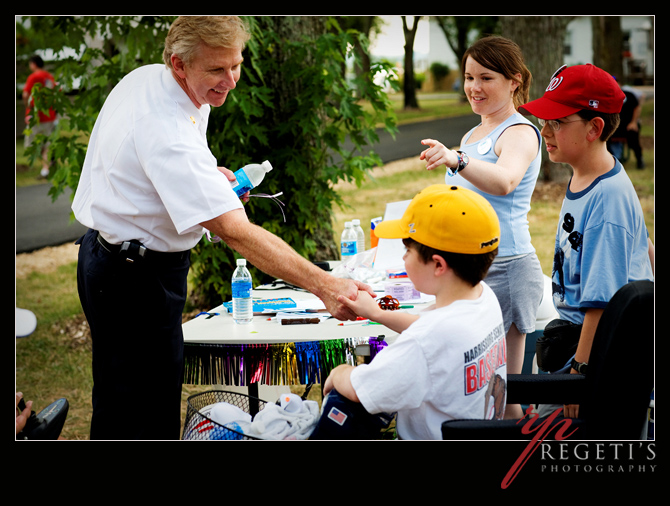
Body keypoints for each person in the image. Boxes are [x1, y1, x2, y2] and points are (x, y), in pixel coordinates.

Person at [72, 16, 372, 440]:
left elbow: (156, 170)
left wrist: (210, 182)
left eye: (237, 64)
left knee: (123, 401)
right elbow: (237, 232)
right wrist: (326, 286)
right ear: (179, 64)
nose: (230, 81)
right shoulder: (167, 128)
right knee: (142, 416)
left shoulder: (155, 80)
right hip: (133, 278)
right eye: (217, 69)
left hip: (114, 257)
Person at [519, 63, 654, 418]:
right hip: (577, 343)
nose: (545, 130)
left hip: (594, 352)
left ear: (594, 127)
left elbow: (601, 303)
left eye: (558, 122)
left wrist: (580, 375)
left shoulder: (606, 197)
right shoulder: (590, 175)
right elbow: (641, 241)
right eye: (546, 121)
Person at [418, 36, 543, 419]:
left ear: (515, 81)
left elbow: (505, 180)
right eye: (469, 77)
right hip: (471, 271)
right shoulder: (472, 135)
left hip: (507, 269)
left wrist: (456, 160)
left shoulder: (519, 132)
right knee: (474, 388)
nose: (474, 87)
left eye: (486, 78)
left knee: (502, 394)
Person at [324, 184, 507, 440]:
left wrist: (339, 372)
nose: (403, 259)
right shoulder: (483, 296)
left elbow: (362, 389)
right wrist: (376, 312)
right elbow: (434, 333)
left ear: (438, 265)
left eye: (407, 251)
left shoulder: (425, 342)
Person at [22, 55, 57, 178]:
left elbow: (26, 94)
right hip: (50, 115)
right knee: (46, 143)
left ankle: (46, 167)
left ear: (33, 64)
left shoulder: (33, 77)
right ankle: (46, 167)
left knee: (32, 145)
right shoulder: (49, 77)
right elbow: (55, 92)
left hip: (36, 116)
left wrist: (28, 107)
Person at [607, 79, 645, 169]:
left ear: (620, 84)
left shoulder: (629, 95)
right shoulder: (608, 97)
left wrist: (634, 122)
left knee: (633, 136)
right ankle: (613, 161)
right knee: (604, 139)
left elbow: (637, 108)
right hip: (614, 127)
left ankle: (639, 159)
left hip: (629, 125)